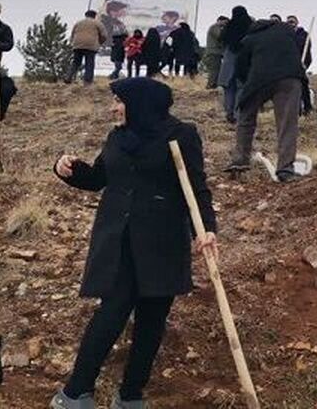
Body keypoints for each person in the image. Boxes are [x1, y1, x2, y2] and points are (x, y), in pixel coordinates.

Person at [50, 79, 217, 409]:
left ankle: (130, 396)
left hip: (162, 241)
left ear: (140, 103)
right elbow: (99, 178)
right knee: (112, 310)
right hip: (119, 240)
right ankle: (77, 392)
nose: (113, 107)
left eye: (119, 100)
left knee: (152, 319)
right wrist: (68, 170)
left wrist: (207, 229)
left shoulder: (180, 134)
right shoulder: (117, 137)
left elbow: (197, 187)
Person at [226, 18, 306, 182]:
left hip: (259, 80)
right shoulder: (287, 31)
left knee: (246, 118)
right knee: (287, 124)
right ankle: (285, 169)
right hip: (290, 79)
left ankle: (240, 161)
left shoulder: (249, 38)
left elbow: (240, 67)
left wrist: (247, 86)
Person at [218, 6, 253, 123]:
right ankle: (238, 114)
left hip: (229, 60)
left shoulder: (229, 26)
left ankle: (229, 112)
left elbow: (220, 38)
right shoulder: (250, 26)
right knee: (241, 88)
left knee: (229, 88)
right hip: (244, 60)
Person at [67, 10, 108, 84]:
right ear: (95, 16)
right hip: (91, 45)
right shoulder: (98, 23)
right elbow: (104, 35)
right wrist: (99, 42)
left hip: (77, 44)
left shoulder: (78, 23)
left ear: (85, 15)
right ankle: (87, 81)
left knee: (76, 62)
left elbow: (72, 34)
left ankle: (68, 78)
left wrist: (73, 43)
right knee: (89, 63)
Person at [287, 15, 313, 115]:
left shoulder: (303, 35)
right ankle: (295, 110)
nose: (291, 23)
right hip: (288, 65)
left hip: (300, 64)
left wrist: (306, 64)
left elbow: (307, 51)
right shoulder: (285, 35)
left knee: (303, 86)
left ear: (297, 22)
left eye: (293, 21)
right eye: (289, 22)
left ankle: (307, 108)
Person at [202, 16, 228, 89]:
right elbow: (219, 36)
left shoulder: (217, 27)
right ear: (220, 20)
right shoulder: (214, 27)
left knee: (217, 70)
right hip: (213, 52)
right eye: (225, 22)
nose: (225, 24)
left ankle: (213, 85)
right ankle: (210, 86)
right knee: (214, 70)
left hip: (216, 53)